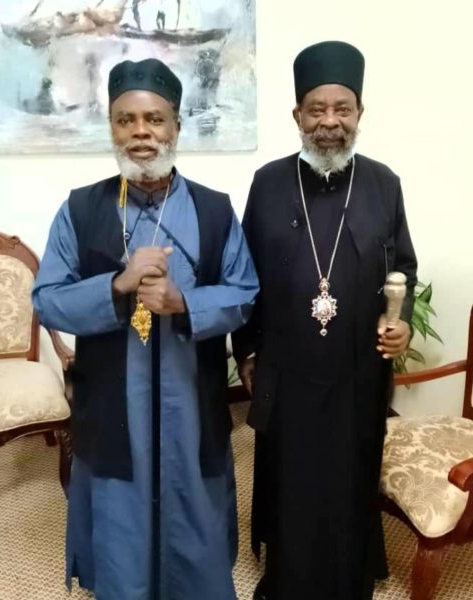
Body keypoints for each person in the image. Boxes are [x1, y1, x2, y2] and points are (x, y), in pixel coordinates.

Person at [33, 58, 258, 600]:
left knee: (194, 523)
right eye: (126, 120)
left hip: (191, 405)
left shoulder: (214, 211)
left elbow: (245, 293)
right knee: (120, 531)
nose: (141, 132)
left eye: (155, 119)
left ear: (176, 126)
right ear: (111, 129)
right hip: (115, 405)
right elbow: (48, 299)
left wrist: (185, 302)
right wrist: (117, 285)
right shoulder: (81, 209)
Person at [232, 41, 418, 600]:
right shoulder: (268, 182)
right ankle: (287, 578)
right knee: (291, 475)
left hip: (357, 369)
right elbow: (243, 275)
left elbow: (405, 269)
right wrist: (247, 352)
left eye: (342, 109)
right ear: (297, 115)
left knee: (349, 473)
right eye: (317, 109)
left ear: (360, 113)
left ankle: (349, 578)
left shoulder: (383, 184)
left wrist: (403, 323)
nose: (330, 122)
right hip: (287, 366)